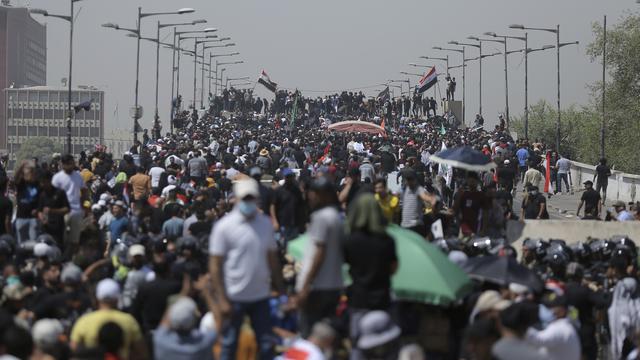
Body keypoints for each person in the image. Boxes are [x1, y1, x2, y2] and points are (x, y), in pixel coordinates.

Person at [209, 179, 285, 360]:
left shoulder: (265, 224)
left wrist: (281, 289)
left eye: (252, 198)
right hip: (234, 296)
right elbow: (215, 265)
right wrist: (221, 298)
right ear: (236, 199)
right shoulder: (224, 227)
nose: (249, 202)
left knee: (266, 343)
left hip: (260, 295)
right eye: (245, 198)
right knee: (229, 344)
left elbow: (272, 259)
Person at [343, 194, 397, 359]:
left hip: (358, 300)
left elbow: (346, 263)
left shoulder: (351, 240)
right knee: (385, 348)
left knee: (358, 347)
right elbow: (393, 268)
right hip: (382, 300)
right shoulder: (387, 240)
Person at [293, 177, 344, 337]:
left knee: (309, 333)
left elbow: (319, 253)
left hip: (317, 287)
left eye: (314, 193)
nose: (310, 196)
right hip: (334, 285)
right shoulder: (337, 216)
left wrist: (306, 285)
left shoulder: (321, 217)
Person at [70, 278, 147, 359]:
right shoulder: (129, 321)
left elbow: (73, 351)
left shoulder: (84, 321)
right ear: (117, 298)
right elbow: (141, 353)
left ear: (98, 298)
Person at [153, 296, 217, 360]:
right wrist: (209, 294)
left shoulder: (160, 340)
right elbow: (219, 320)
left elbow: (165, 320)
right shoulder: (203, 343)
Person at [526, 294, 581, 360]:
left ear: (562, 310)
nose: (550, 310)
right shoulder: (565, 326)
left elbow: (540, 339)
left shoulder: (560, 328)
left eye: (551, 307)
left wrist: (522, 329)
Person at [452, 172, 489, 236]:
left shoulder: (481, 196)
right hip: (463, 228)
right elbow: (455, 211)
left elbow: (485, 214)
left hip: (477, 229)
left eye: (473, 180)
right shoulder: (463, 194)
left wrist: (484, 230)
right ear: (467, 181)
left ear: (477, 182)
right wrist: (458, 195)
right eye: (469, 179)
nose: (471, 182)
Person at [399, 169, 435, 236]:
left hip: (415, 225)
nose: (408, 181)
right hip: (405, 224)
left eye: (410, 179)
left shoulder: (418, 189)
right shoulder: (403, 190)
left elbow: (427, 198)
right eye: (406, 179)